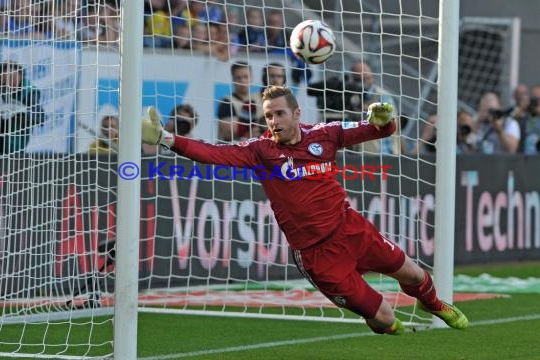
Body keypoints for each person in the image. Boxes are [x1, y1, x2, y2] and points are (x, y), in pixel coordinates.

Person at [141, 85, 469, 335]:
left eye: (279, 113)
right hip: (317, 254)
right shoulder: (260, 151)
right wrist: (167, 139)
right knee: (382, 315)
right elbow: (213, 153)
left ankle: (437, 306)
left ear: (296, 114)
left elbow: (376, 130)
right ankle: (399, 333)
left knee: (412, 273)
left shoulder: (324, 135)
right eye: (268, 116)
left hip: (350, 229)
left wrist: (385, 122)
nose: (273, 121)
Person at [216, 61, 264, 143]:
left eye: (246, 77)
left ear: (251, 78)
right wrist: (248, 135)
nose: (242, 81)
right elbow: (228, 134)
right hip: (229, 150)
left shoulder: (259, 99)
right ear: (233, 79)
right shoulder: (227, 101)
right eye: (238, 78)